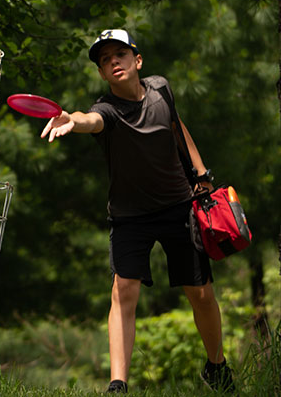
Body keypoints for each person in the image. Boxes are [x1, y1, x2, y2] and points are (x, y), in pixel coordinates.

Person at [40, 29, 234, 393]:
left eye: (119, 55)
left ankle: (217, 366)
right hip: (130, 216)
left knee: (202, 294)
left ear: (137, 61)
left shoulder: (161, 89)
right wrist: (72, 120)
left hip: (180, 206)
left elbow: (178, 129)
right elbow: (89, 119)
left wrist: (203, 174)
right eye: (104, 60)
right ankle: (118, 384)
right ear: (101, 73)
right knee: (123, 290)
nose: (112, 62)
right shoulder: (107, 110)